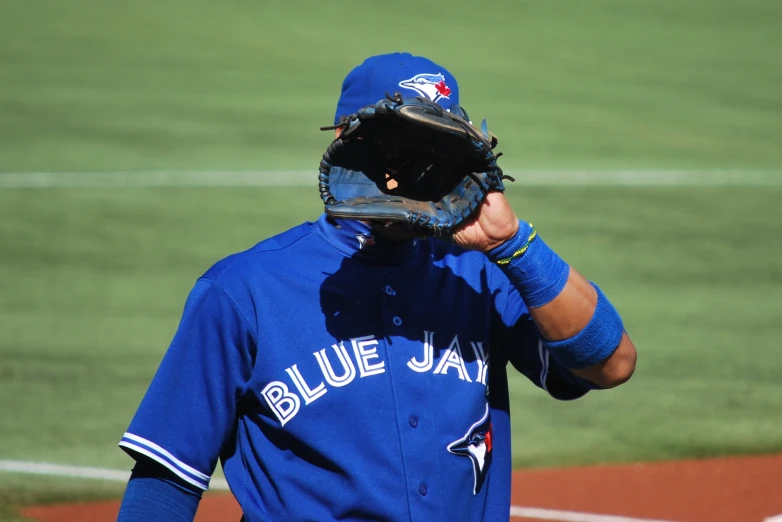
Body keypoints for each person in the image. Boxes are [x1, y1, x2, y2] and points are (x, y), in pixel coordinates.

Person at [116, 52, 637, 522]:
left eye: (432, 152)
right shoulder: (242, 291)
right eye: (394, 152)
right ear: (344, 142)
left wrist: (512, 242)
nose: (406, 175)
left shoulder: (479, 272)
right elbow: (167, 478)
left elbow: (610, 364)